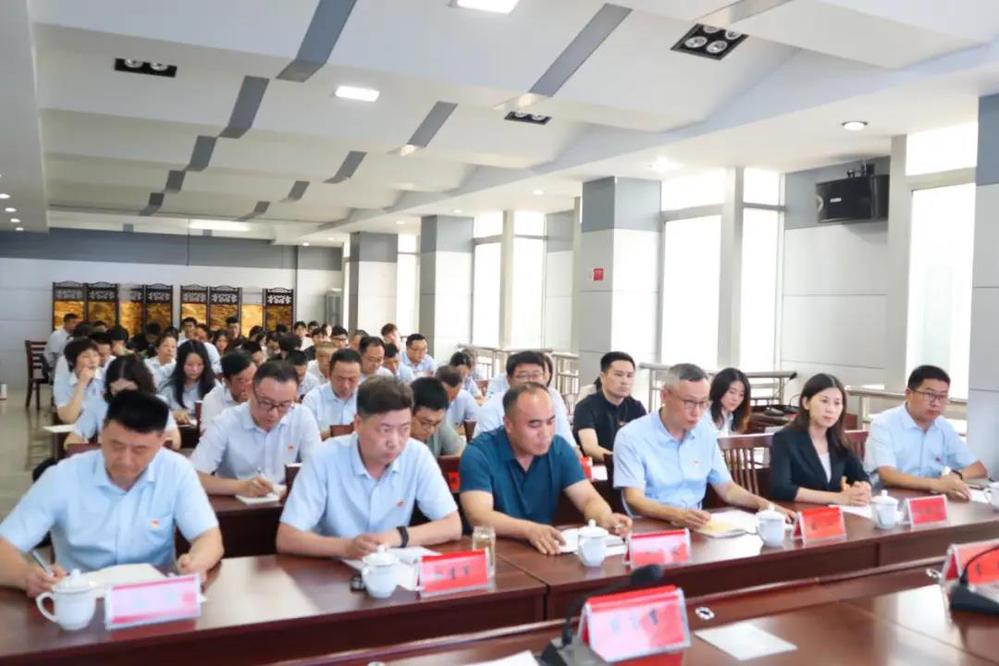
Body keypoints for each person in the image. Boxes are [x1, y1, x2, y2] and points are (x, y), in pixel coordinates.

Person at [0, 391, 222, 597]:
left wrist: (197, 562)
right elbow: (4, 546)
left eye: (140, 450)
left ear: (161, 441)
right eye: (116, 445)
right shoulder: (62, 477)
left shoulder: (176, 471)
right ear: (103, 430)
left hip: (152, 599)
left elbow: (208, 537)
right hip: (80, 601)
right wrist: (25, 576)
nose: (125, 460)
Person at [276, 377, 461, 559]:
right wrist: (346, 547)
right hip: (332, 568)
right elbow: (287, 537)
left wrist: (395, 537)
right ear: (358, 424)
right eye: (385, 430)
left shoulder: (417, 455)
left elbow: (453, 525)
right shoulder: (324, 457)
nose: (395, 441)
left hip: (391, 567)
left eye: (404, 429)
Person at [613, 363, 794, 528]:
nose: (697, 412)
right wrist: (678, 515)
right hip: (649, 527)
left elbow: (728, 489)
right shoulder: (632, 436)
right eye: (689, 402)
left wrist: (764, 504)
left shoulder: (705, 433)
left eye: (703, 403)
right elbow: (634, 499)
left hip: (696, 526)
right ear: (665, 395)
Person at [460, 383, 631, 555]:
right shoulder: (479, 454)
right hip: (494, 552)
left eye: (550, 422)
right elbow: (479, 516)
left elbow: (588, 499)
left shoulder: (559, 449)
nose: (545, 433)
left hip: (545, 549)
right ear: (508, 424)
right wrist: (529, 530)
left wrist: (604, 517)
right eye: (534, 425)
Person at [191, 360, 322, 497]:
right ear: (249, 390)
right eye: (266, 402)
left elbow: (318, 471)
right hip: (237, 505)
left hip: (286, 503)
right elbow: (193, 476)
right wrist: (241, 487)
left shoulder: (302, 417)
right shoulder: (226, 421)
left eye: (284, 405)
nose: (273, 414)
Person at [864, 365, 989, 500]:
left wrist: (955, 476)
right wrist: (937, 484)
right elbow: (888, 476)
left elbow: (978, 468)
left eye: (942, 397)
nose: (936, 403)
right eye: (929, 395)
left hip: (930, 500)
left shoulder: (943, 427)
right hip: (886, 499)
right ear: (908, 394)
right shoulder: (884, 424)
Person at [770, 374, 870, 505]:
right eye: (824, 401)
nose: (831, 409)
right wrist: (837, 497)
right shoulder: (785, 439)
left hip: (835, 513)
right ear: (806, 403)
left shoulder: (839, 440)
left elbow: (861, 477)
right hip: (800, 512)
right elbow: (781, 488)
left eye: (837, 403)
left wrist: (863, 488)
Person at [65, 356, 182, 451]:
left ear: (141, 386)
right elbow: (70, 443)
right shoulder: (99, 405)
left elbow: (175, 441)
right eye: (116, 392)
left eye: (128, 391)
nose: (122, 397)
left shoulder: (157, 403)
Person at [473, 351, 574, 447]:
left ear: (545, 377)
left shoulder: (553, 401)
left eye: (536, 375)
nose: (530, 381)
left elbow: (568, 443)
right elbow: (484, 450)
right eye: (523, 376)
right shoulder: (492, 408)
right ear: (509, 380)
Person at [573, 351, 647, 463]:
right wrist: (623, 461)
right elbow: (590, 448)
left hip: (630, 467)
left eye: (629, 376)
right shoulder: (585, 407)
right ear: (603, 377)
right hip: (599, 469)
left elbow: (646, 443)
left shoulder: (637, 408)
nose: (625, 381)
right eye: (618, 375)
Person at [302, 349, 361, 439]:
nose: (346, 386)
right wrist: (332, 432)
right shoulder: (313, 399)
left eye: (352, 379)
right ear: (329, 374)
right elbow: (304, 439)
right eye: (340, 379)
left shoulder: (368, 398)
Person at [159, 340, 216, 425]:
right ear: (181, 364)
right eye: (190, 365)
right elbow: (156, 414)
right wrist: (172, 415)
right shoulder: (169, 388)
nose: (195, 369)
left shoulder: (213, 386)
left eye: (199, 365)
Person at [200, 351, 256, 433]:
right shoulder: (213, 399)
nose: (250, 385)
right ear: (227, 382)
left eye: (254, 378)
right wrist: (241, 410)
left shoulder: (263, 397)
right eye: (243, 381)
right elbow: (207, 435)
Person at [409, 377, 464, 458]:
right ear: (407, 413)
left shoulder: (439, 421)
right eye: (424, 423)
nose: (431, 430)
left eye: (436, 424)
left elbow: (460, 452)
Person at [54, 337, 103, 424]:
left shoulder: (106, 376)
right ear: (71, 361)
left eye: (96, 355)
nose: (93, 361)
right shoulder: (62, 381)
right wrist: (81, 384)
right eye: (86, 356)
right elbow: (68, 419)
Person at [703, 368, 752, 435]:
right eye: (732, 392)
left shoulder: (733, 416)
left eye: (741, 395)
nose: (736, 398)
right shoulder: (706, 413)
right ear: (720, 389)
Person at [436, 365, 478, 432]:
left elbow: (476, 423)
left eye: (454, 396)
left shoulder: (465, 397)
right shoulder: (425, 401)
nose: (449, 401)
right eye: (446, 394)